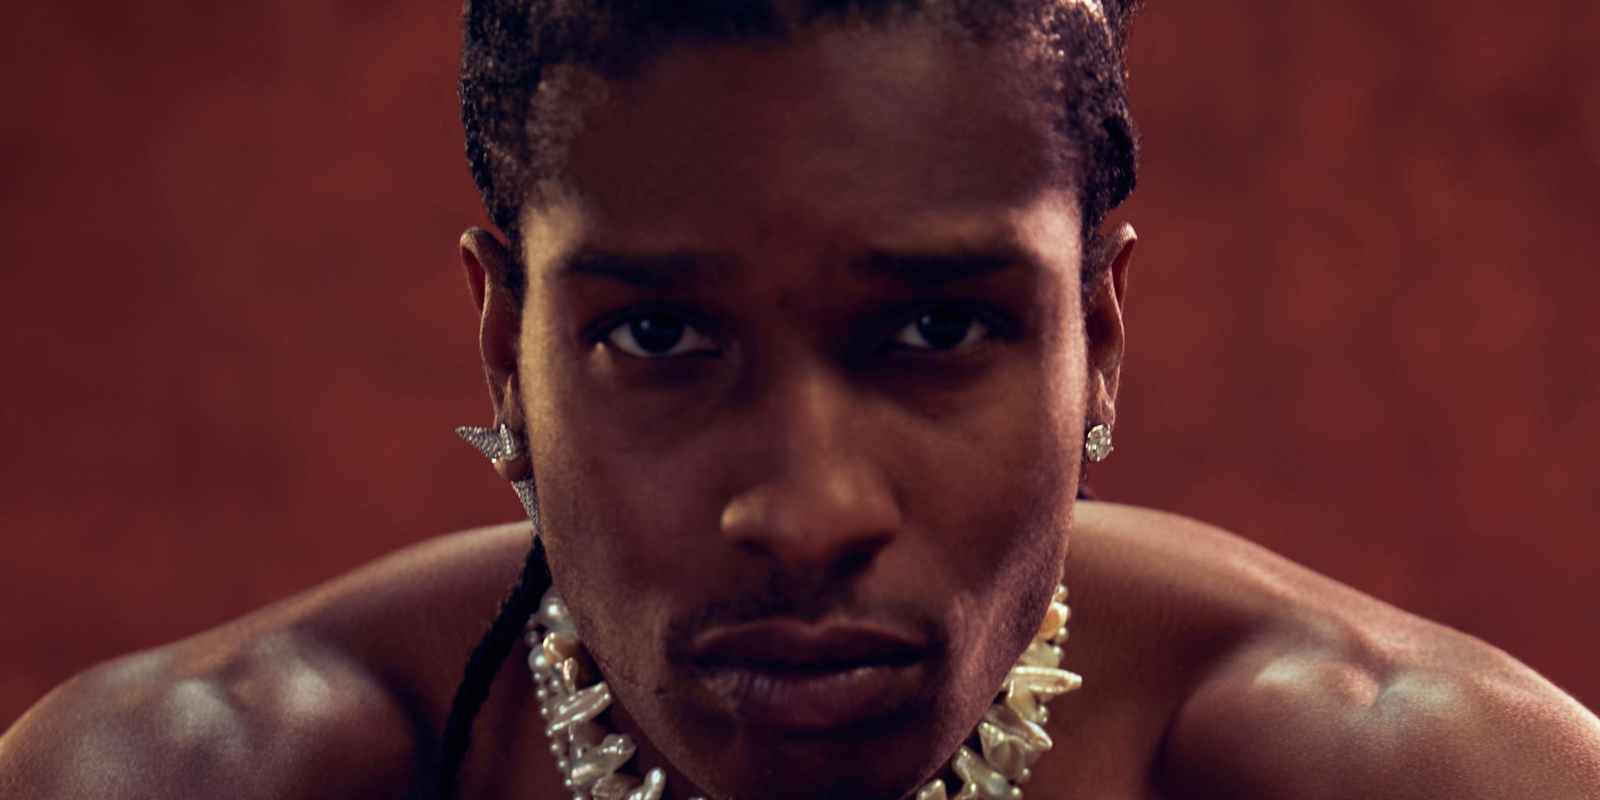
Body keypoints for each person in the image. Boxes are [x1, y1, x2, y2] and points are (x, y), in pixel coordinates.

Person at [3, 1, 1598, 798]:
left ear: (1100, 335)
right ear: (504, 346)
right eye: (657, 338)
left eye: (937, 325)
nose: (808, 511)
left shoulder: (1407, 768)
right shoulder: (201, 773)